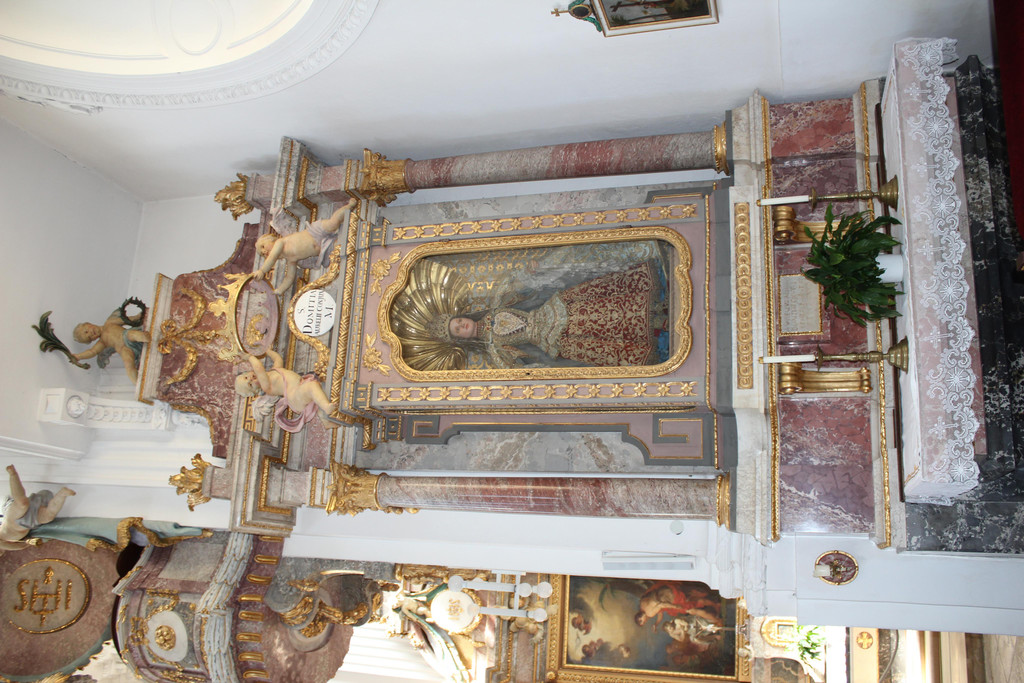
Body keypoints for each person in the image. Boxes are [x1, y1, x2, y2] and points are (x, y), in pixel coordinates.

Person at [433, 261, 668, 368]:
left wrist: (528, 272)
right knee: (598, 331)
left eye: (459, 321)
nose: (462, 326)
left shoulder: (495, 307)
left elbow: (513, 287)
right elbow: (520, 370)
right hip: (552, 338)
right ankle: (656, 327)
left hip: (551, 310)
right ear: (460, 339)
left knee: (600, 308)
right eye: (458, 330)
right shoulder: (495, 349)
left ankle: (654, 308)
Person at [254, 198, 357, 295]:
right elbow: (289, 277)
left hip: (315, 232)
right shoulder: (291, 260)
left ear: (270, 238)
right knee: (342, 247)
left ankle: (349, 207)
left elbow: (272, 257)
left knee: (332, 223)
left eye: (262, 246)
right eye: (263, 254)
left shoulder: (280, 243)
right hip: (322, 250)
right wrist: (279, 290)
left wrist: (262, 271)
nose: (264, 252)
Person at [235, 350, 338, 432]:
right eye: (250, 384)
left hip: (299, 386)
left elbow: (278, 359)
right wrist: (249, 357)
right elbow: (258, 367)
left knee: (314, 395)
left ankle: (325, 421)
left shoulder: (273, 371)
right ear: (256, 391)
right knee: (312, 387)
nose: (250, 379)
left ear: (248, 372)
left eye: (246, 377)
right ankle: (326, 407)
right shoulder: (266, 386)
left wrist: (267, 351)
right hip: (294, 396)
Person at [1, 465, 75, 552]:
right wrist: (30, 542)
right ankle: (62, 494)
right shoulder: (8, 545)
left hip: (13, 519)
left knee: (22, 503)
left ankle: (13, 474)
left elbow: (9, 546)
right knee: (48, 516)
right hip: (30, 523)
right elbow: (20, 546)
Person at [73, 311, 151, 384]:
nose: (90, 334)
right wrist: (78, 356)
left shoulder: (109, 322)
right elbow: (92, 352)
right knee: (128, 365)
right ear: (93, 340)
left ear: (88, 324)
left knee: (133, 335)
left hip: (126, 335)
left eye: (86, 331)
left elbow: (126, 320)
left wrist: (138, 316)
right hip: (123, 349)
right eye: (89, 338)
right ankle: (138, 384)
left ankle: (148, 338)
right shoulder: (102, 342)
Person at [634, 581, 718, 627]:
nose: (645, 621)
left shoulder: (649, 613)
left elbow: (661, 605)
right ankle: (713, 601)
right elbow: (658, 607)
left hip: (672, 598)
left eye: (643, 622)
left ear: (640, 618)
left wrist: (675, 606)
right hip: (666, 589)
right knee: (691, 594)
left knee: (692, 609)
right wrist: (656, 624)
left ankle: (716, 616)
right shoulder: (641, 602)